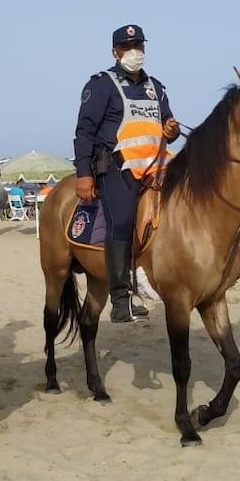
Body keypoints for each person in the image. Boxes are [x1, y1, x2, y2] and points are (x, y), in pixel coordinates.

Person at [73, 24, 181, 323]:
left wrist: (171, 129)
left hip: (158, 168)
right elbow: (84, 132)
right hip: (117, 169)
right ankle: (121, 298)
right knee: (121, 220)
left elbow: (168, 125)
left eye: (139, 47)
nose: (134, 52)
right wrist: (83, 174)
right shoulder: (102, 84)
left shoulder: (155, 87)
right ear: (115, 52)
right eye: (127, 47)